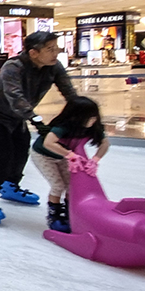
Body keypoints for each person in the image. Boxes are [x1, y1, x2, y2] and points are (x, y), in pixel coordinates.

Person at [0, 31, 78, 224]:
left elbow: (69, 92)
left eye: (56, 48)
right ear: (33, 52)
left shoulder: (54, 67)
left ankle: (11, 185)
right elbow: (15, 96)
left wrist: (84, 112)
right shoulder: (13, 66)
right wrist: (36, 120)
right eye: (50, 49)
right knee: (4, 154)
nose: (56, 52)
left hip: (17, 117)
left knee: (22, 150)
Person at [30, 96, 109, 234]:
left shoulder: (92, 128)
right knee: (58, 185)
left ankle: (69, 212)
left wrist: (95, 159)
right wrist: (70, 155)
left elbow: (105, 143)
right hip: (43, 156)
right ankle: (54, 216)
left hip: (63, 157)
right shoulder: (62, 127)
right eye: (90, 117)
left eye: (95, 116)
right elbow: (48, 143)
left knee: (71, 185)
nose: (93, 120)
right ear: (77, 116)